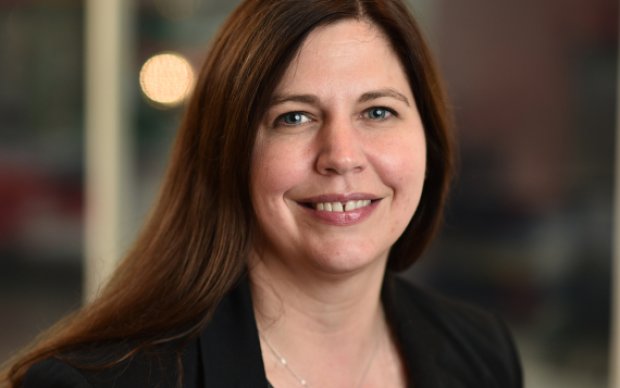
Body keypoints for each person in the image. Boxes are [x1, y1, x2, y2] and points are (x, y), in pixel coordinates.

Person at [2, 0, 523, 387]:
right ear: (229, 152)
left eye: (377, 112)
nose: (341, 155)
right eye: (293, 117)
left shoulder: (482, 352)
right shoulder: (89, 384)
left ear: (428, 137)